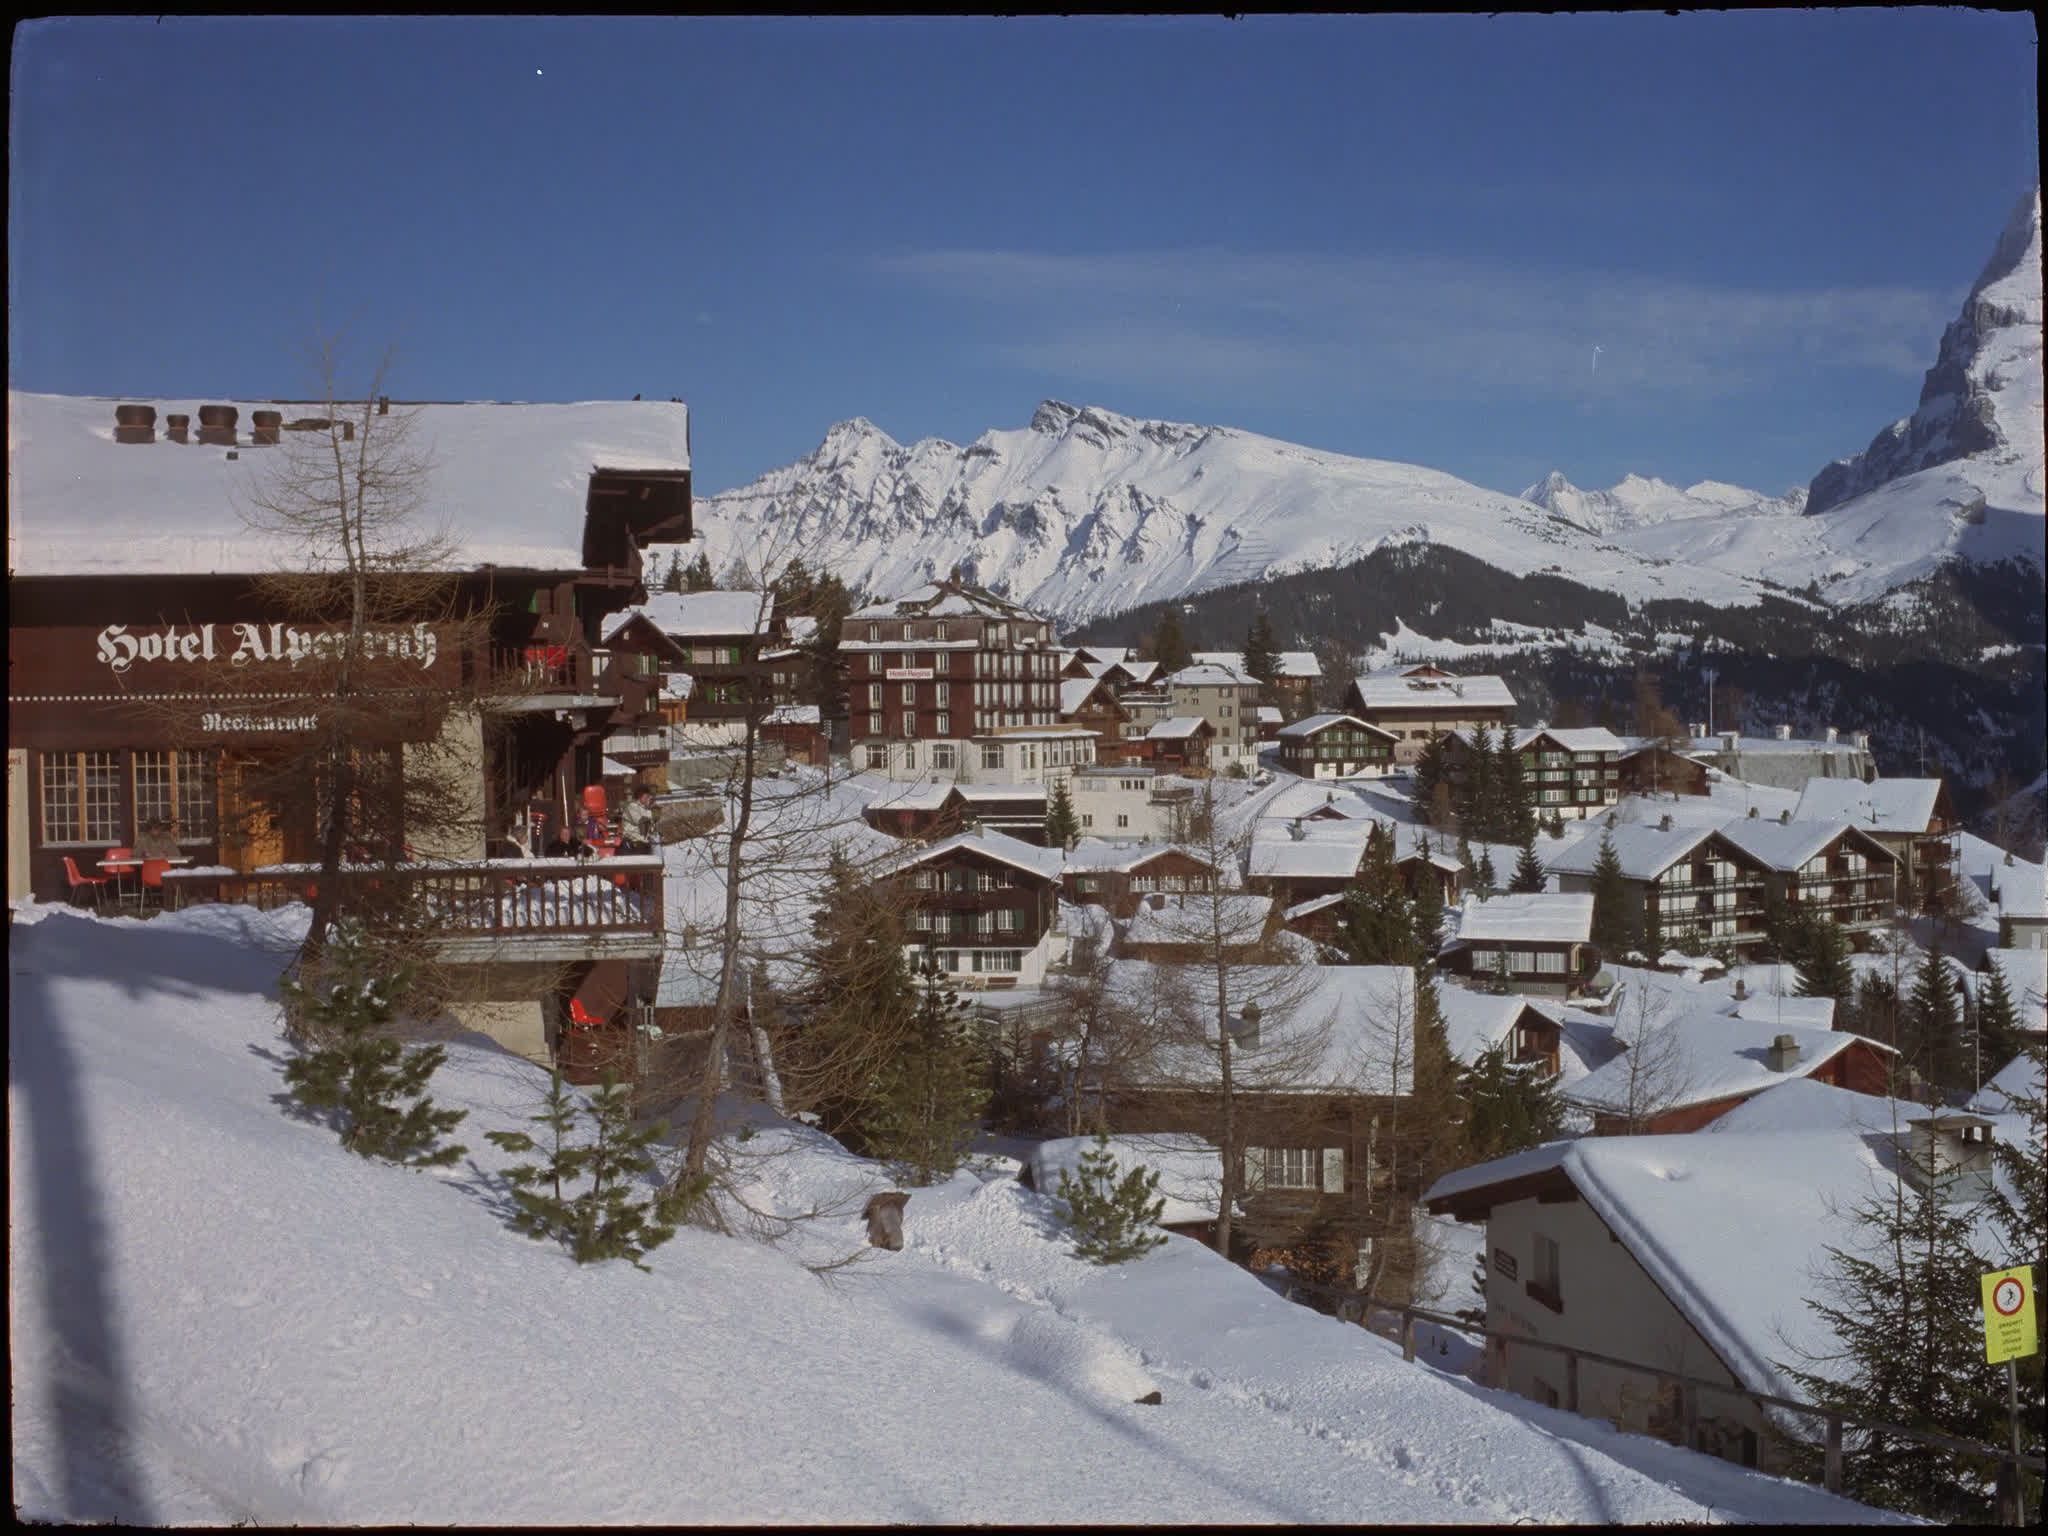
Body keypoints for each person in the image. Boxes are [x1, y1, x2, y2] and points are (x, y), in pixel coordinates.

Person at [618, 787, 657, 855]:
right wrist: (652, 811)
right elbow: (641, 820)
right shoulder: (632, 806)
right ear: (639, 796)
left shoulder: (642, 808)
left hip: (643, 842)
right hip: (633, 843)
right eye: (646, 797)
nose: (648, 799)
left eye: (648, 797)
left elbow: (650, 826)